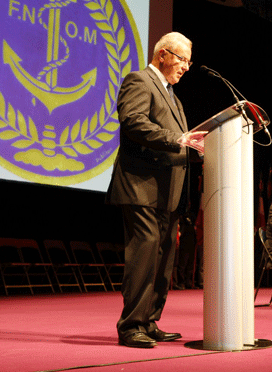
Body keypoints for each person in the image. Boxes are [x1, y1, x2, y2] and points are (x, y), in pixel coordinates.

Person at [106, 32, 193, 349]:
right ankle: (131, 326)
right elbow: (132, 121)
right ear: (163, 55)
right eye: (182, 59)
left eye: (188, 62)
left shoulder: (174, 97)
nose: (186, 67)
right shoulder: (140, 81)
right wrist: (178, 140)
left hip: (169, 194)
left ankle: (149, 320)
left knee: (164, 258)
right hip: (141, 186)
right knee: (145, 254)